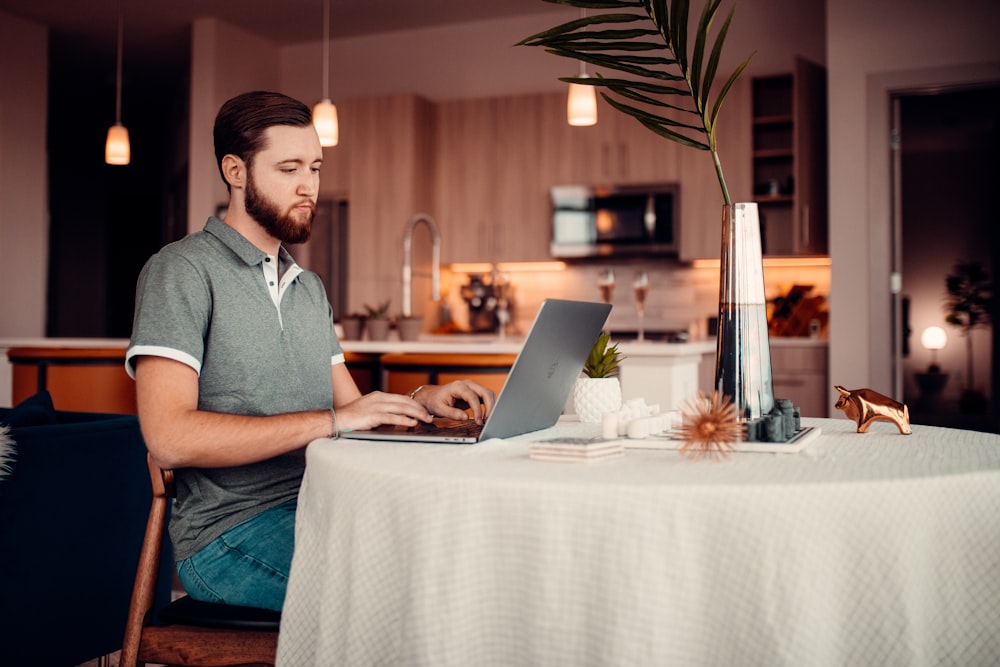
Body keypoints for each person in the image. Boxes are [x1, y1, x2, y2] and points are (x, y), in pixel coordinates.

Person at [126, 90, 495, 612]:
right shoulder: (181, 272)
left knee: (458, 557)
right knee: (401, 600)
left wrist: (422, 398)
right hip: (228, 534)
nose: (309, 187)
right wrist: (333, 420)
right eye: (289, 168)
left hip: (321, 503)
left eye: (316, 168)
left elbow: (350, 412)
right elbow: (169, 438)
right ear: (236, 171)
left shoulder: (308, 287)